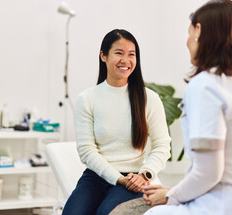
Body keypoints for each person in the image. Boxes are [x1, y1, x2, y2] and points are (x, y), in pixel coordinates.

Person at [110, 0, 232, 215]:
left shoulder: (205, 85)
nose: (186, 41)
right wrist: (175, 190)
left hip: (219, 206)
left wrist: (170, 196)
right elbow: (222, 172)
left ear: (199, 30)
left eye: (188, 32)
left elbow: (209, 172)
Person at [62, 29, 171, 215]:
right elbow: (87, 151)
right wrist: (118, 179)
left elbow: (162, 146)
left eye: (131, 54)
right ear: (103, 56)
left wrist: (145, 174)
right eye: (119, 53)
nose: (125, 60)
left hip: (135, 176)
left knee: (107, 213)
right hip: (95, 177)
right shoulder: (87, 99)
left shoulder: (149, 98)